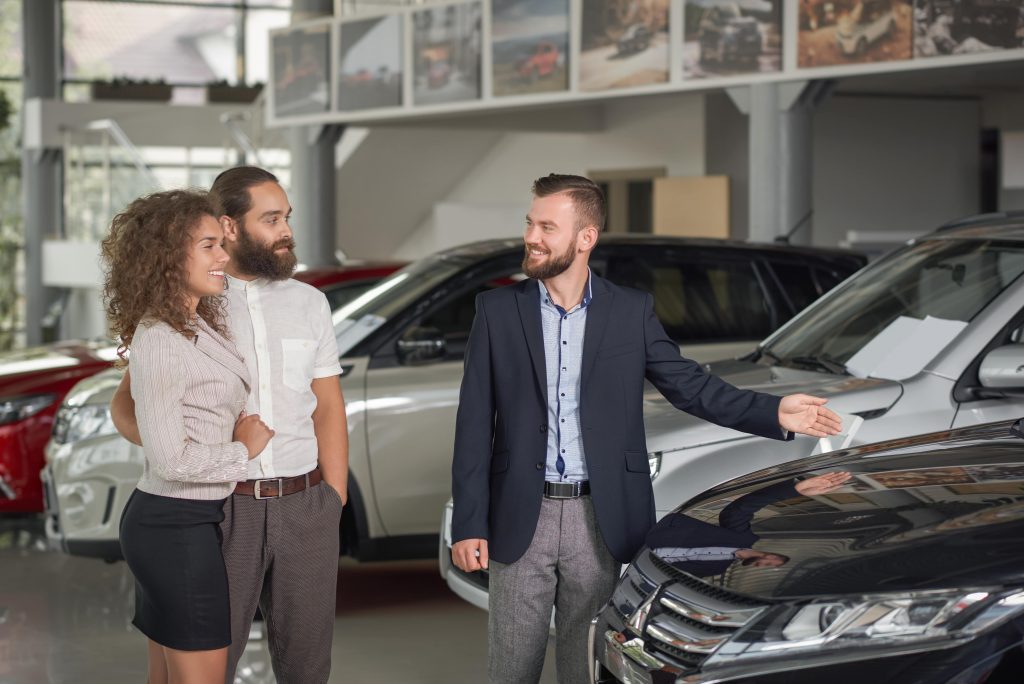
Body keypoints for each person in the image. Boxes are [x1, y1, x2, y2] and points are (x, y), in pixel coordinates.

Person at [450, 173, 843, 683]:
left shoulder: (629, 310)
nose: (532, 236)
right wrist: (470, 521)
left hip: (603, 514)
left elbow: (690, 387)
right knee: (511, 668)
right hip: (520, 511)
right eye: (530, 223)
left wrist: (774, 413)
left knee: (585, 664)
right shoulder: (498, 310)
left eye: (547, 226)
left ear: (585, 237)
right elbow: (475, 420)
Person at [111, 167, 348, 684]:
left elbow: (328, 405)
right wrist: (181, 456)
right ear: (230, 226)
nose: (286, 230)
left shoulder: (310, 303)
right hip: (222, 506)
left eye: (287, 218)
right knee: (212, 659)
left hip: (305, 503)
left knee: (309, 666)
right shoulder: (192, 305)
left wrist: (334, 496)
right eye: (272, 219)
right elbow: (128, 408)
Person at [101, 189, 274, 684]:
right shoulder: (160, 338)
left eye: (222, 243)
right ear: (167, 254)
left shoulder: (193, 323)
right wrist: (244, 449)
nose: (224, 256)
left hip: (185, 521)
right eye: (209, 245)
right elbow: (170, 460)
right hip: (173, 527)